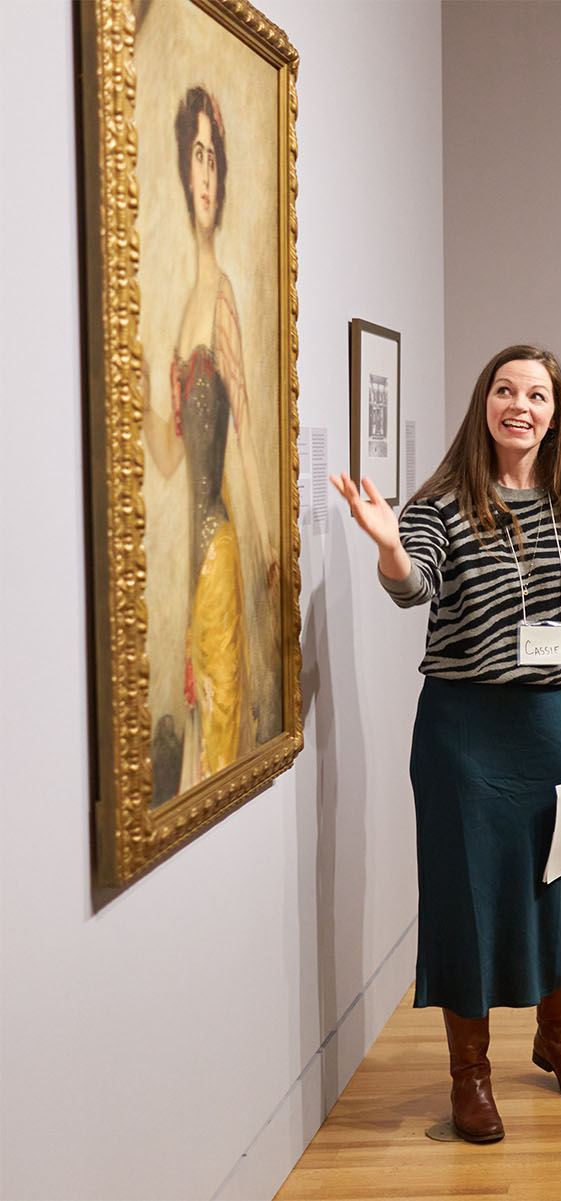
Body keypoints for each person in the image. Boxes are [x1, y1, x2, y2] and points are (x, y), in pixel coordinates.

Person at [330, 346, 561, 1144]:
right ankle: (471, 1073)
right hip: (463, 731)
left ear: (555, 413)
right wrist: (389, 544)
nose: (518, 405)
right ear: (483, 403)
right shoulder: (444, 503)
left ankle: (558, 1038)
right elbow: (413, 582)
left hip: (550, 727)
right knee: (466, 896)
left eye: (536, 393)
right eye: (504, 390)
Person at [143, 85, 279, 795]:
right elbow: (168, 458)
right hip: (190, 559)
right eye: (193, 156)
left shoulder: (221, 293)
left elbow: (249, 439)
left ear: (223, 176)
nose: (203, 174)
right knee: (197, 727)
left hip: (220, 552)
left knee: (222, 736)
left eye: (212, 158)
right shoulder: (180, 308)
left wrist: (263, 550)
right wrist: (140, 383)